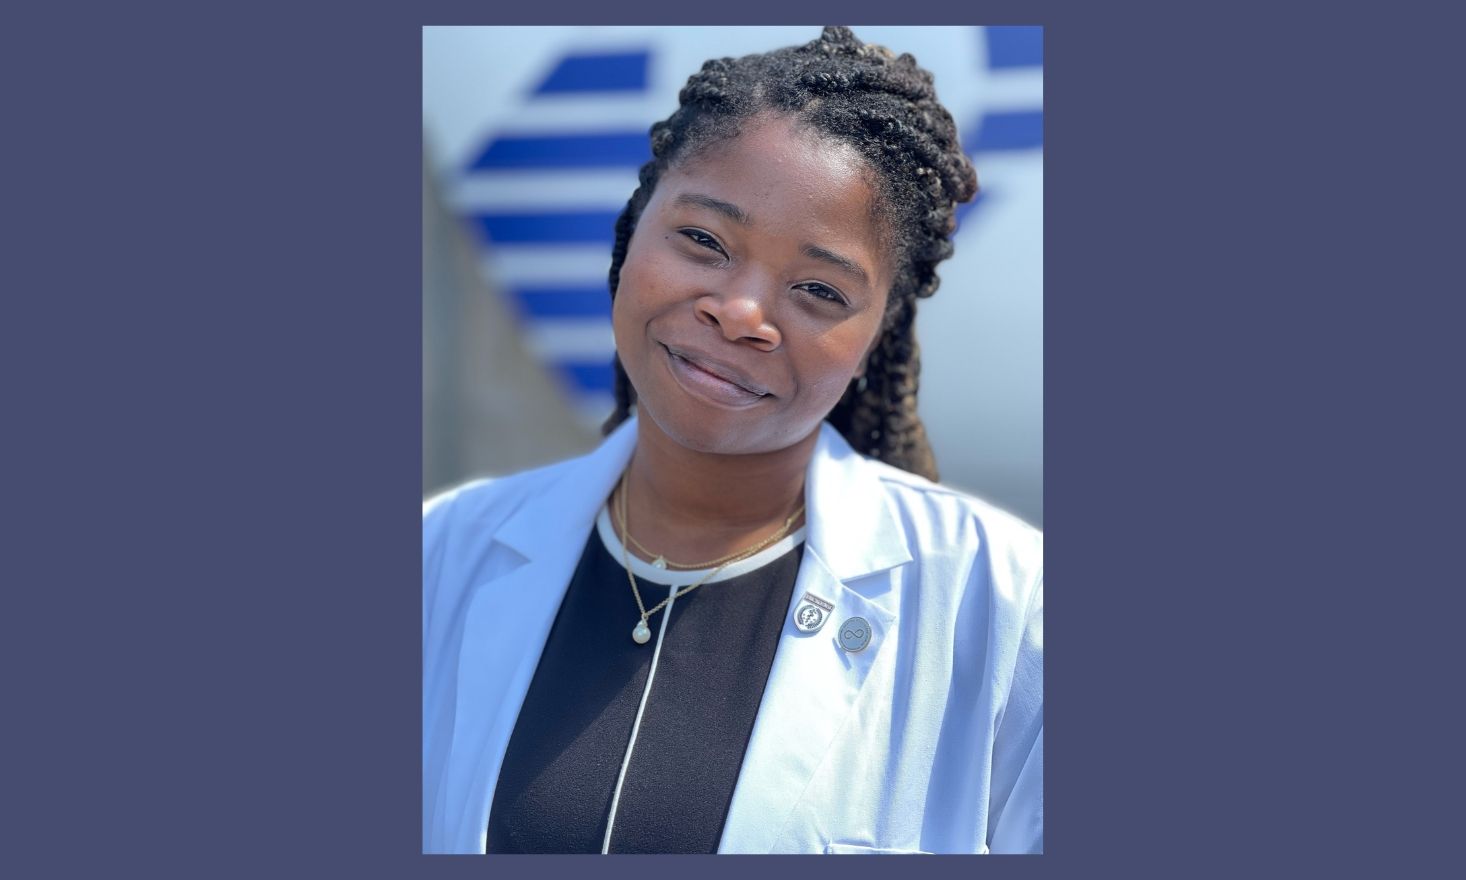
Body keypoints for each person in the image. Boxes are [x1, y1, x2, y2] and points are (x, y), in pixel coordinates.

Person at [423, 26, 1043, 855]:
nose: (742, 313)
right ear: (631, 235)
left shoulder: (1005, 607)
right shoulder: (441, 556)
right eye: (705, 241)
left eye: (818, 289)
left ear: (876, 336)